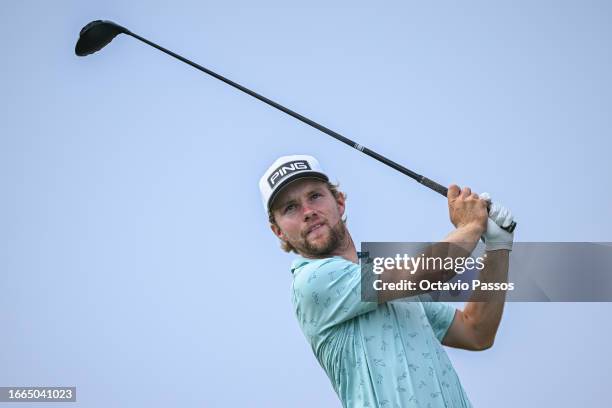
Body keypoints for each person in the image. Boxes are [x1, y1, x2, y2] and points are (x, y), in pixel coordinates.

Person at [259, 154, 514, 408]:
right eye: (290, 208)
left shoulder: (393, 287)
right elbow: (430, 271)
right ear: (278, 230)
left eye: (314, 196)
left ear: (339, 202)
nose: (308, 212)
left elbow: (476, 332)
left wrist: (497, 247)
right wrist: (471, 225)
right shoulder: (311, 281)